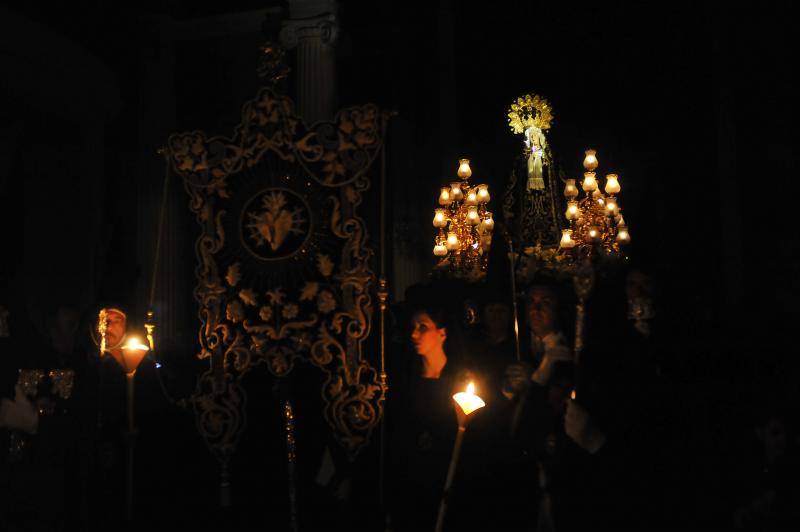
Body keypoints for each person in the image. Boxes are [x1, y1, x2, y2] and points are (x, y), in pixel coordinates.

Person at [387, 303, 477, 531]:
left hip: (447, 477)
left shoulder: (460, 379)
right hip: (412, 478)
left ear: (442, 332)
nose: (414, 334)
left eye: (423, 327)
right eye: (413, 327)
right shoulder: (406, 380)